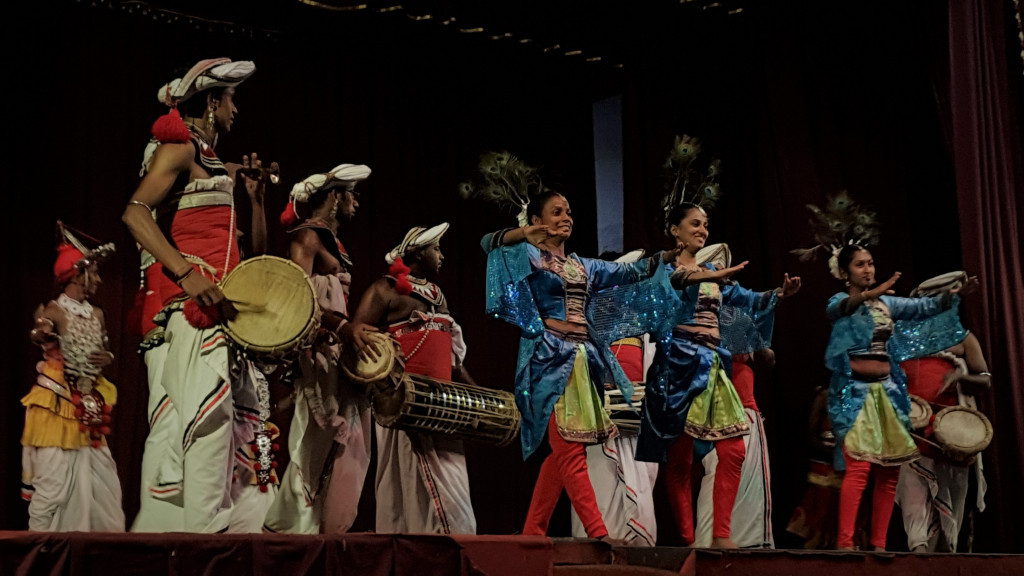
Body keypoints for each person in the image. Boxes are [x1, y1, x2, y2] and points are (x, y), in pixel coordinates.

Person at [122, 57, 272, 533]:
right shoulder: (180, 148)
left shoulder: (209, 161)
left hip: (219, 312)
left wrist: (255, 201)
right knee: (203, 422)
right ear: (212, 100)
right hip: (189, 312)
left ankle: (199, 533)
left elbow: (254, 254)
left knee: (229, 426)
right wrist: (187, 276)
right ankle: (200, 537)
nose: (235, 110)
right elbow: (135, 213)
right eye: (231, 100)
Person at [481, 191, 679, 542]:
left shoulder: (582, 265)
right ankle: (597, 533)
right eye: (556, 212)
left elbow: (629, 270)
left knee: (565, 448)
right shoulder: (529, 256)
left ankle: (532, 531)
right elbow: (487, 244)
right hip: (549, 357)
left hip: (583, 358)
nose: (566, 218)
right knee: (569, 449)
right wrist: (523, 235)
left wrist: (667, 257)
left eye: (569, 212)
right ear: (537, 220)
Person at [636, 209, 800, 549]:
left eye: (706, 225)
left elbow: (748, 299)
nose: (703, 230)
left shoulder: (712, 272)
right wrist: (708, 275)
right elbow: (671, 287)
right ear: (675, 230)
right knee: (679, 458)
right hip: (678, 364)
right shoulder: (663, 268)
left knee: (734, 449)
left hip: (712, 364)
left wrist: (779, 294)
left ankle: (721, 535)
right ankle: (688, 540)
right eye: (695, 224)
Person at [823, 244, 968, 551]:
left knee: (889, 470)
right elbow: (841, 309)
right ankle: (845, 543)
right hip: (856, 395)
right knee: (859, 468)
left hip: (887, 395)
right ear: (845, 273)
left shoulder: (886, 303)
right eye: (860, 264)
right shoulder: (838, 301)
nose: (868, 269)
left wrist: (952, 296)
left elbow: (923, 308)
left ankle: (879, 544)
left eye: (870, 263)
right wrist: (872, 293)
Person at [263, 163, 378, 534]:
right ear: (335, 196)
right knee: (318, 434)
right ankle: (294, 528)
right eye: (351, 194)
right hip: (318, 352)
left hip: (335, 350)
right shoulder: (307, 236)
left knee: (349, 439)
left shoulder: (331, 241)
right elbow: (299, 296)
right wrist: (341, 327)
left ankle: (324, 527)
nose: (356, 202)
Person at [350, 223, 478, 534]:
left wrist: (477, 394)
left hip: (443, 406)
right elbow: (357, 339)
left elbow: (453, 361)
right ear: (419, 253)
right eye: (436, 249)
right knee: (405, 483)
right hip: (403, 406)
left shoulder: (438, 296)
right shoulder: (384, 289)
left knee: (454, 488)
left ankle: (450, 543)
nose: (442, 256)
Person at [21, 224, 123, 532]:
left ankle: (92, 545)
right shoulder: (55, 310)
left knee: (101, 482)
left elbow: (103, 349)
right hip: (58, 403)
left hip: (89, 405)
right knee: (54, 484)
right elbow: (40, 330)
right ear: (78, 274)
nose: (99, 279)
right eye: (94, 272)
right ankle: (39, 545)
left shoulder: (97, 314)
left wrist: (108, 357)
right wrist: (43, 333)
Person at [691, 244, 784, 549]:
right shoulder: (698, 307)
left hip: (744, 402)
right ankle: (708, 541)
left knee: (745, 477)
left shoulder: (734, 311)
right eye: (714, 268)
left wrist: (760, 346)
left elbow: (764, 353)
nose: (722, 275)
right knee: (717, 469)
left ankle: (745, 543)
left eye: (725, 269)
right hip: (716, 399)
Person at [569, 250, 660, 546]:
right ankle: (600, 546)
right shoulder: (591, 321)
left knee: (642, 492)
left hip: (637, 423)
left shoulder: (641, 325)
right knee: (603, 485)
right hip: (602, 424)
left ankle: (636, 551)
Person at [895, 272, 989, 552]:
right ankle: (919, 550)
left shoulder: (963, 339)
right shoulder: (904, 336)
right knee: (913, 491)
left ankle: (946, 553)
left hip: (952, 430)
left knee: (950, 494)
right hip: (913, 427)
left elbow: (985, 379)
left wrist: (961, 378)